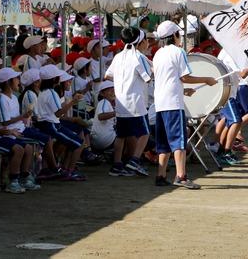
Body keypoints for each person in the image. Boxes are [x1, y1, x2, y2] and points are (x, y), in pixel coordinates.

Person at [152, 20, 216, 189]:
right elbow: (184, 77)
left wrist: (183, 90)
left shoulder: (158, 53)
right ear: (174, 35)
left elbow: (167, 79)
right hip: (173, 103)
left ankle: (161, 175)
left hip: (161, 103)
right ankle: (181, 176)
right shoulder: (178, 52)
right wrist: (206, 80)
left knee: (164, 142)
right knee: (178, 141)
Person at [104, 27, 152, 177]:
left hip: (121, 103)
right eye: (146, 40)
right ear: (141, 41)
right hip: (136, 103)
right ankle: (135, 160)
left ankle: (117, 165)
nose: (148, 43)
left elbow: (108, 76)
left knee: (121, 135)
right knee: (145, 133)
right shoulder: (139, 57)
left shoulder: (118, 56)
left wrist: (122, 81)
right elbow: (148, 77)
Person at [36, 64, 86, 182]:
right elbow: (58, 113)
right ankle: (68, 171)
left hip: (47, 124)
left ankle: (65, 169)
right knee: (79, 144)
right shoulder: (51, 92)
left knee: (73, 142)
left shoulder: (43, 92)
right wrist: (72, 102)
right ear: (54, 79)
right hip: (51, 125)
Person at [216, 48, 248, 164]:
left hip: (229, 92)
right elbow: (242, 74)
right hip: (226, 93)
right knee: (235, 121)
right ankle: (226, 151)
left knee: (230, 122)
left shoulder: (229, 50)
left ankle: (222, 151)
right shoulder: (230, 53)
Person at [90, 81, 117, 152]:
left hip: (100, 140)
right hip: (104, 140)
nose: (113, 92)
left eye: (113, 90)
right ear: (102, 93)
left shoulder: (107, 103)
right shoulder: (104, 102)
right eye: (110, 91)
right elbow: (101, 116)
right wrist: (117, 112)